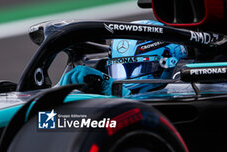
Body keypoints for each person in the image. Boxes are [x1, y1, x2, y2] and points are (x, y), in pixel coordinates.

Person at [58, 20, 188, 96]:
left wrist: (110, 86)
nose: (124, 80)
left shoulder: (189, 91)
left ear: (167, 63)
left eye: (136, 69)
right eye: (118, 71)